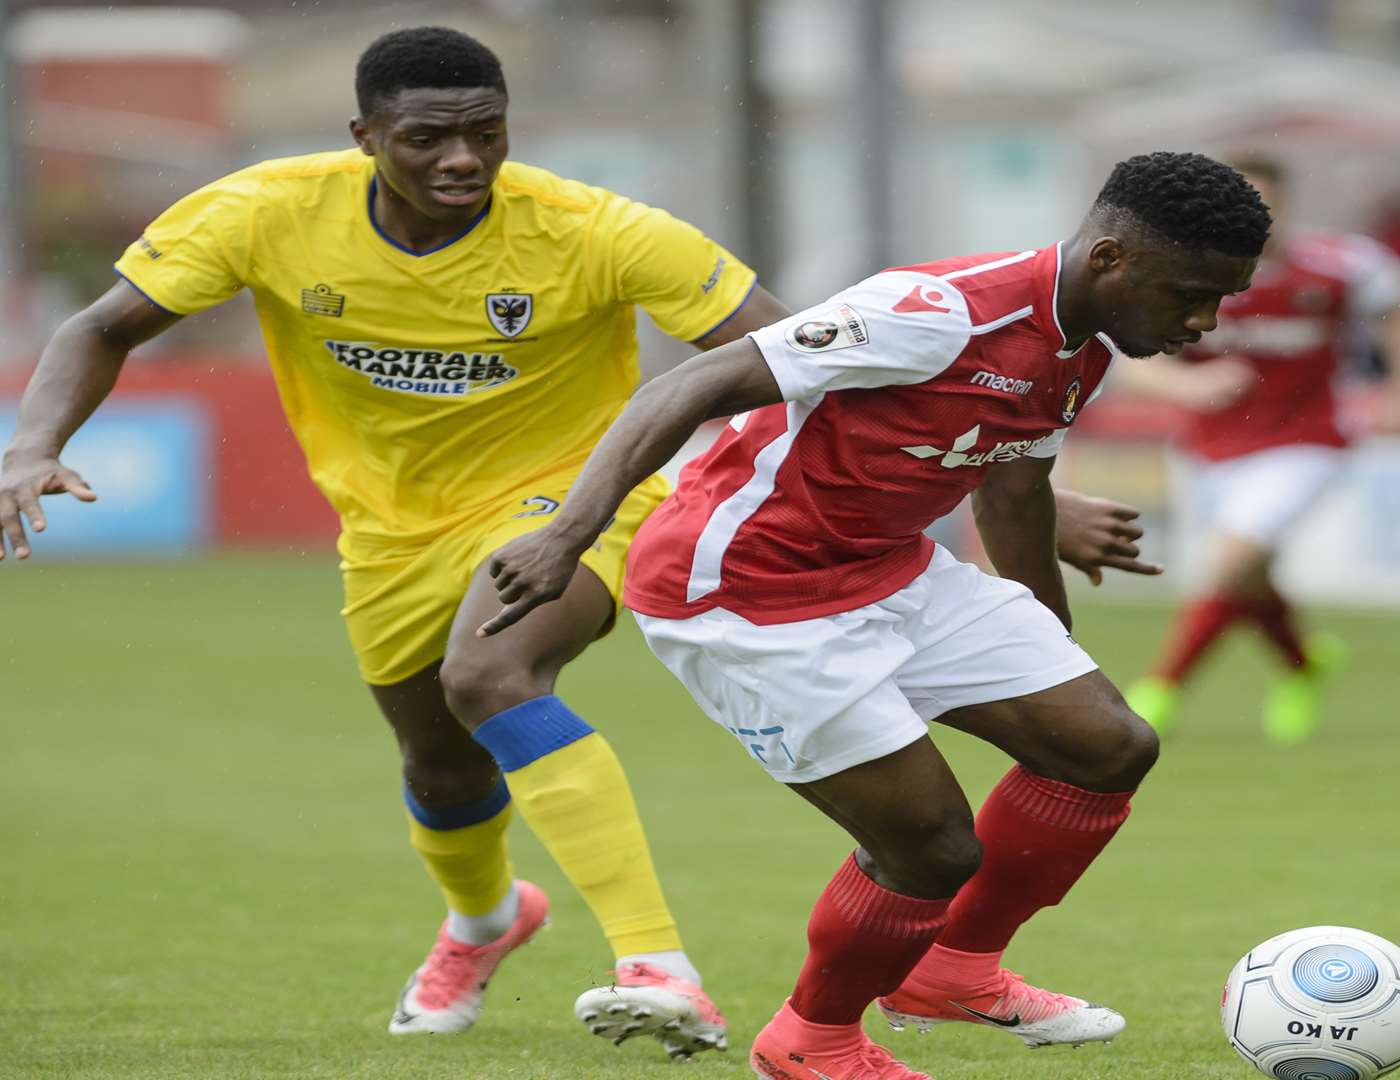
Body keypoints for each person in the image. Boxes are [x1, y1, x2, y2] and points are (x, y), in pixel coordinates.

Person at [0, 26, 1156, 1053]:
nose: (461, 161)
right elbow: (103, 326)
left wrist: (1029, 503)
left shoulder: (593, 229)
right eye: (426, 140)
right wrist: (28, 444)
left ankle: (657, 966)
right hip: (389, 530)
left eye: (486, 136)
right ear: (365, 136)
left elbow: (819, 373)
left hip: (584, 500)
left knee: (493, 670)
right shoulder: (261, 212)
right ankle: (487, 919)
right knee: (442, 766)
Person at [477, 151, 1268, 1079]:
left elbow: (1013, 495)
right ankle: (809, 1044)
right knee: (931, 846)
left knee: (1106, 746)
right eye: (1192, 293)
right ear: (1110, 260)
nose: (1204, 322)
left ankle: (953, 973)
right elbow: (683, 387)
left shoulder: (1083, 347)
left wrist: (1052, 659)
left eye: (1222, 300)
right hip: (742, 593)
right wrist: (568, 536)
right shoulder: (937, 312)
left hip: (888, 570)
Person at [1120, 154, 1400, 744]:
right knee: (1247, 575)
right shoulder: (1182, 271)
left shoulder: (1341, 265)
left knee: (1232, 560)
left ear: (1283, 205)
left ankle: (1160, 688)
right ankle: (1302, 664)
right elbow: (1133, 363)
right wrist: (1188, 383)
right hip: (1209, 447)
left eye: (1262, 203)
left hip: (1305, 441)